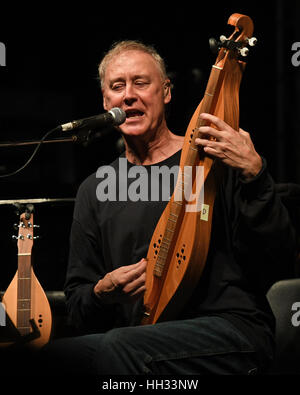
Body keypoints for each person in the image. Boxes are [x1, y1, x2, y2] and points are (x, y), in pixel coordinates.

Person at [42, 40, 296, 376]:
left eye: (141, 83)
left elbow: (278, 255)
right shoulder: (95, 190)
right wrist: (102, 292)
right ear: (106, 102)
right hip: (142, 337)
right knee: (49, 357)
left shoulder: (214, 161)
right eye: (117, 87)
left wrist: (254, 174)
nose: (128, 95)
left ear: (166, 92)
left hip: (230, 332)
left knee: (119, 347)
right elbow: (77, 305)